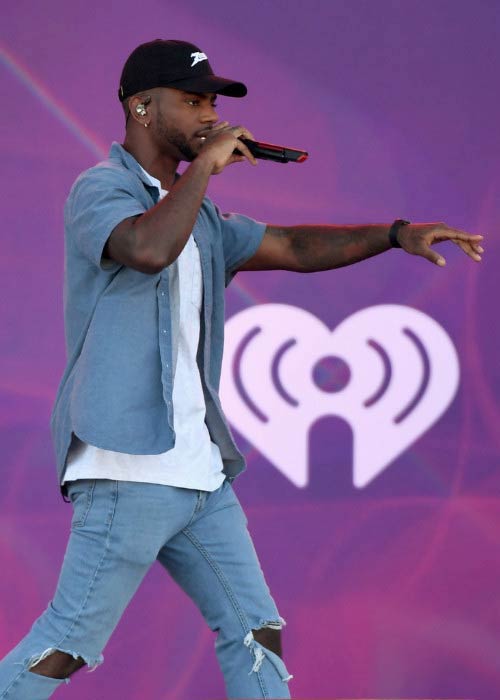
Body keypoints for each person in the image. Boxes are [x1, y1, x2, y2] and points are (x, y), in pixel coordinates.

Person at [0, 39, 484, 700]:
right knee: (67, 646)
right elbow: (145, 249)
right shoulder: (101, 189)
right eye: (193, 101)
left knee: (255, 632)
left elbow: (290, 245)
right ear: (142, 106)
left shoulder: (195, 214)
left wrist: (396, 233)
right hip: (128, 470)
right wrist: (202, 168)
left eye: (213, 104)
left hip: (201, 473)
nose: (210, 116)